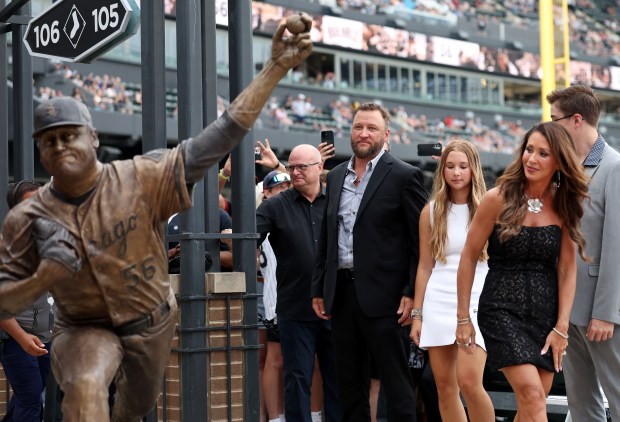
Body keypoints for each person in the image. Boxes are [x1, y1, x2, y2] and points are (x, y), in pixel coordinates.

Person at [0, 16, 313, 422]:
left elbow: (221, 134)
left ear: (93, 138)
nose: (60, 146)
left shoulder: (140, 177)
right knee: (85, 388)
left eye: (69, 134)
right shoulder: (30, 216)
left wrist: (273, 69)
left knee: (134, 407)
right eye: (49, 140)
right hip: (83, 327)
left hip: (149, 321)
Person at [456, 121, 590, 421]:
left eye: (543, 153)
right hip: (500, 310)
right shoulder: (497, 198)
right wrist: (463, 317)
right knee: (532, 395)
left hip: (545, 318)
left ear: (559, 161)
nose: (532, 158)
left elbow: (567, 268)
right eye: (529, 149)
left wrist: (562, 327)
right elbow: (468, 258)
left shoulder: (565, 203)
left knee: (533, 404)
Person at [311, 102, 428, 421]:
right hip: (342, 296)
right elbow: (327, 236)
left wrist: (411, 292)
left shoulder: (405, 175)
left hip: (389, 299)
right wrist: (319, 287)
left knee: (397, 382)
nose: (364, 133)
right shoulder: (334, 177)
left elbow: (420, 243)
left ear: (386, 134)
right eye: (358, 127)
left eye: (372, 128)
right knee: (348, 384)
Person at [546, 84, 620, 420]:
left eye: (554, 120)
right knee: (580, 401)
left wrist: (607, 312)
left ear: (576, 120)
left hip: (601, 315)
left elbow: (616, 245)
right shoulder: (563, 168)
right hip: (568, 310)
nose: (550, 127)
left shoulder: (614, 167)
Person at [409, 140, 494, 421]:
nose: (456, 172)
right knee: (444, 388)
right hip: (438, 300)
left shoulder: (490, 207)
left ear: (474, 169)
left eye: (463, 166)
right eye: (450, 166)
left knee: (470, 384)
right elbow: (424, 266)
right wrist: (418, 315)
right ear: (442, 170)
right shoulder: (431, 212)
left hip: (476, 299)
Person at [256, 145, 340, 422]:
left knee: (339, 379)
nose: (295, 172)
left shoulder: (337, 201)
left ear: (320, 167)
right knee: (297, 378)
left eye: (302, 166)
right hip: (295, 308)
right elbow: (248, 239)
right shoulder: (274, 205)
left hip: (337, 305)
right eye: (291, 167)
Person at [0, 180, 53, 422]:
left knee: (28, 395)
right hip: (15, 338)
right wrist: (22, 339)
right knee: (31, 399)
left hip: (45, 336)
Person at [257, 170, 291, 422]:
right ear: (266, 192)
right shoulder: (266, 215)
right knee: (275, 360)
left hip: (300, 298)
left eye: (288, 186)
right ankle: (275, 418)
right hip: (275, 300)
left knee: (311, 363)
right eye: (279, 188)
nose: (285, 190)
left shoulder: (297, 210)